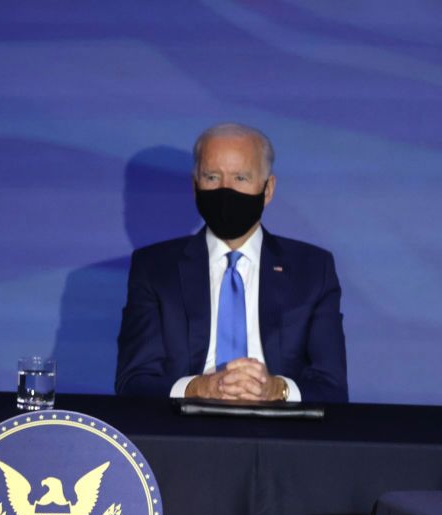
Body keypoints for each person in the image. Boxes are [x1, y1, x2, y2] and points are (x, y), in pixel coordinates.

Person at [115, 123, 347, 403]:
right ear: (195, 186)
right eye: (212, 177)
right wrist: (200, 388)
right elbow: (133, 381)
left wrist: (276, 389)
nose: (225, 191)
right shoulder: (154, 268)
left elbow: (332, 388)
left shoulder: (312, 269)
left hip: (281, 433)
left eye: (240, 178)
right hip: (184, 431)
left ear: (268, 189)